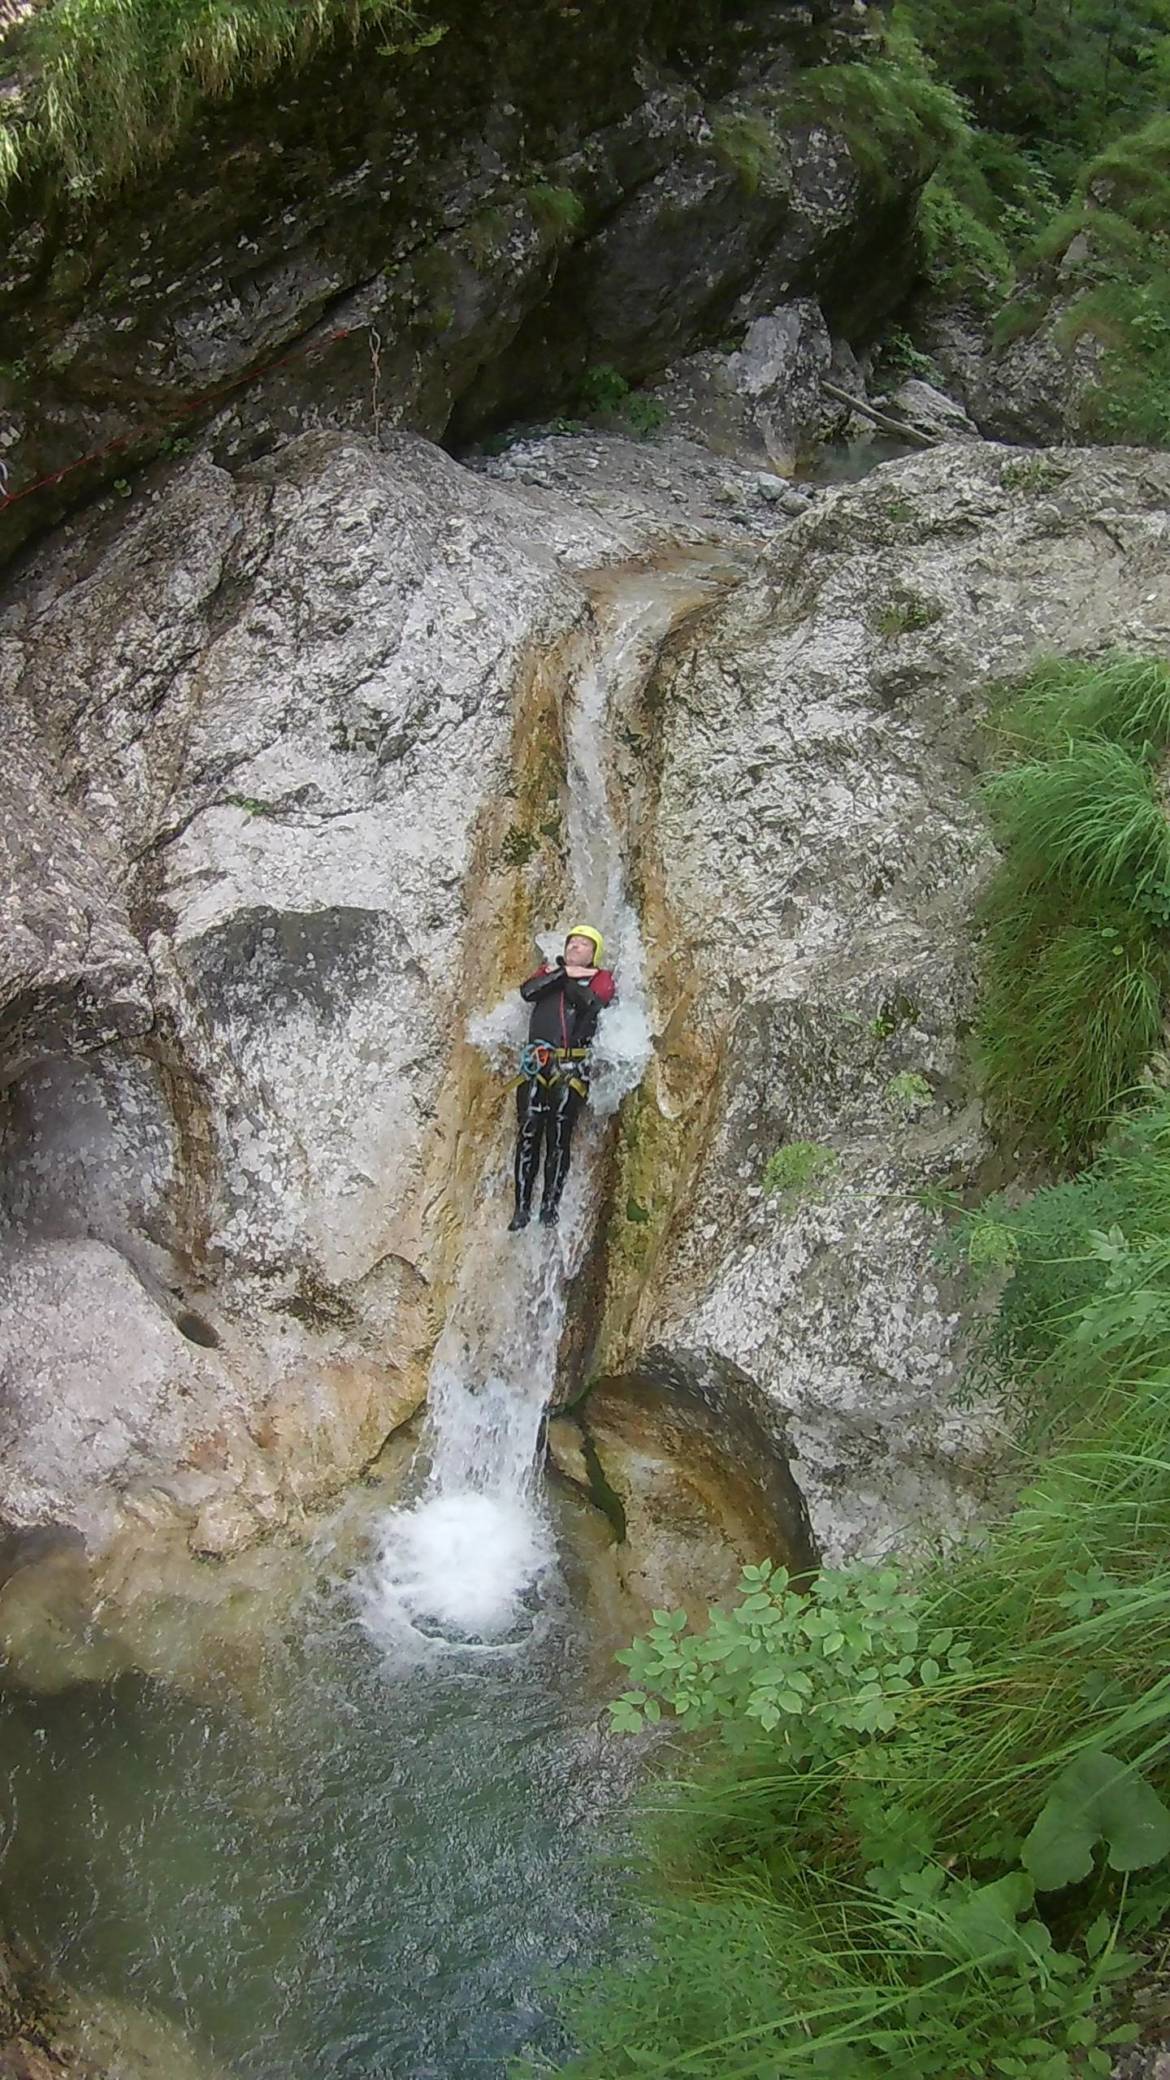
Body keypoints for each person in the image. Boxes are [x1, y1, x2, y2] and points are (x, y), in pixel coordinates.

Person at [509, 925, 615, 1230]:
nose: (575, 947)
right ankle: (521, 1208)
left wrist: (566, 977)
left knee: (559, 1135)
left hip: (570, 1067)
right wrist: (559, 973)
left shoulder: (600, 978)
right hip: (535, 1063)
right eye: (572, 943)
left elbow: (593, 1005)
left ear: (594, 954)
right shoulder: (547, 972)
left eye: (583, 944)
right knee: (528, 1133)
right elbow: (528, 992)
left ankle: (550, 1206)